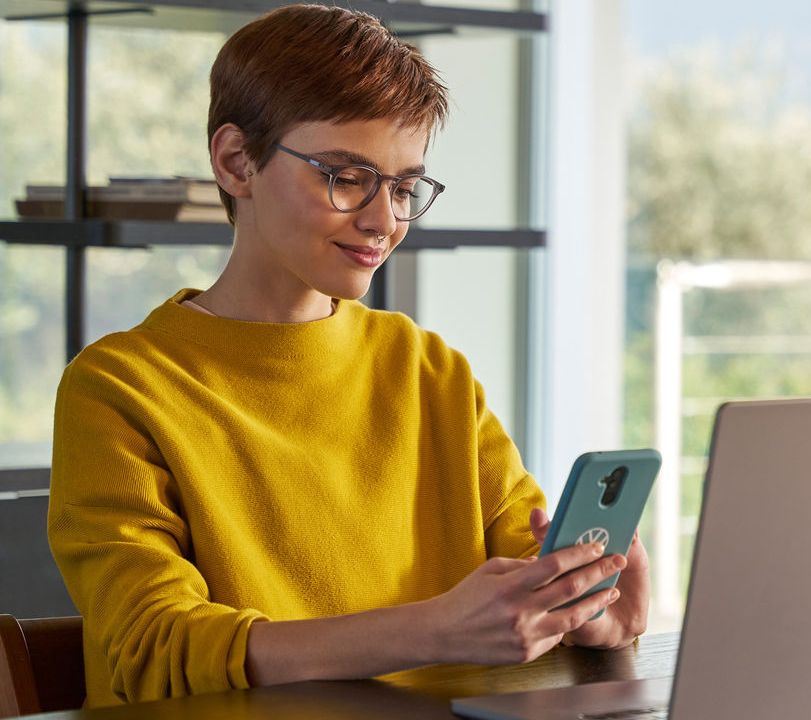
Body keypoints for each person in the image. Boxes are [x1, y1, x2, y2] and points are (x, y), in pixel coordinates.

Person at [47, 4, 648, 708]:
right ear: (236, 161)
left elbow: (527, 578)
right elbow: (152, 649)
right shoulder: (120, 388)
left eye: (402, 186)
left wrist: (591, 616)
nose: (383, 219)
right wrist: (431, 632)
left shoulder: (430, 371)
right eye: (345, 176)